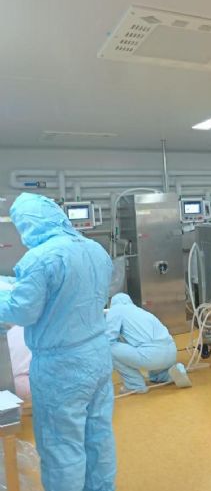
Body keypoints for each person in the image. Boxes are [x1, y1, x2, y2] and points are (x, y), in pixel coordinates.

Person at [0, 193, 115, 491]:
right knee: (98, 434)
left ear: (28, 224)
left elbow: (22, 312)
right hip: (98, 355)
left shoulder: (39, 259)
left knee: (62, 444)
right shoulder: (95, 249)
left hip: (62, 366)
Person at [106, 293, 191, 394]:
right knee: (155, 376)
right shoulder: (140, 311)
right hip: (171, 353)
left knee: (108, 348)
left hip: (151, 356)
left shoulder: (116, 310)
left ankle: (135, 385)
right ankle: (171, 374)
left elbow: (108, 338)